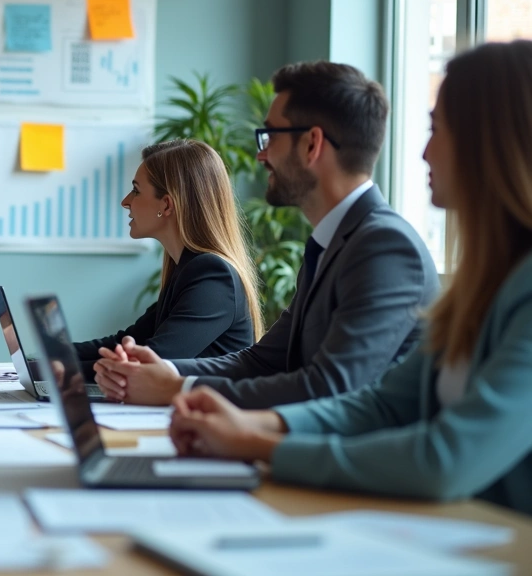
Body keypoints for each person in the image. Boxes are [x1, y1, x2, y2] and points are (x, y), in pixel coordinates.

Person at [167, 40, 532, 514]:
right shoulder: (481, 282)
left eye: (436, 128)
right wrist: (250, 425)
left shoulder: (394, 248)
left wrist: (259, 444)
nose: (424, 151)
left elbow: (444, 459)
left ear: (490, 143)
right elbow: (383, 406)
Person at [94, 61, 440, 409]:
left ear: (311, 144)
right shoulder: (331, 244)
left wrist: (178, 388)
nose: (261, 155)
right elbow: (262, 361)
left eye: (270, 136)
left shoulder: (386, 248)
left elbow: (330, 387)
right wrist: (168, 372)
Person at [71, 139, 261, 370]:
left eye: (136, 190)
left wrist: (55, 370)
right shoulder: (186, 269)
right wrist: (46, 357)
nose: (126, 202)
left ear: (167, 205)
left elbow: (149, 363)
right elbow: (127, 342)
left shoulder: (213, 276)